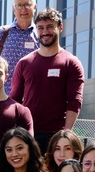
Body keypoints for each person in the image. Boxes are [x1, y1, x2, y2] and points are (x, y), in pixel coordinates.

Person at [9, 7, 83, 135]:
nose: (45, 32)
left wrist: (66, 133)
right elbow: (14, 100)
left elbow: (74, 101)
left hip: (58, 136)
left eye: (50, 27)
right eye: (40, 28)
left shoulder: (71, 63)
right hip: (28, 134)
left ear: (60, 27)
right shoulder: (24, 63)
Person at [0, 0, 39, 96]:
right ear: (13, 9)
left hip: (33, 99)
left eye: (27, 4)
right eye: (19, 5)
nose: (23, 9)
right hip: (4, 98)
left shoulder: (41, 36)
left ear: (35, 7)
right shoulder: (1, 34)